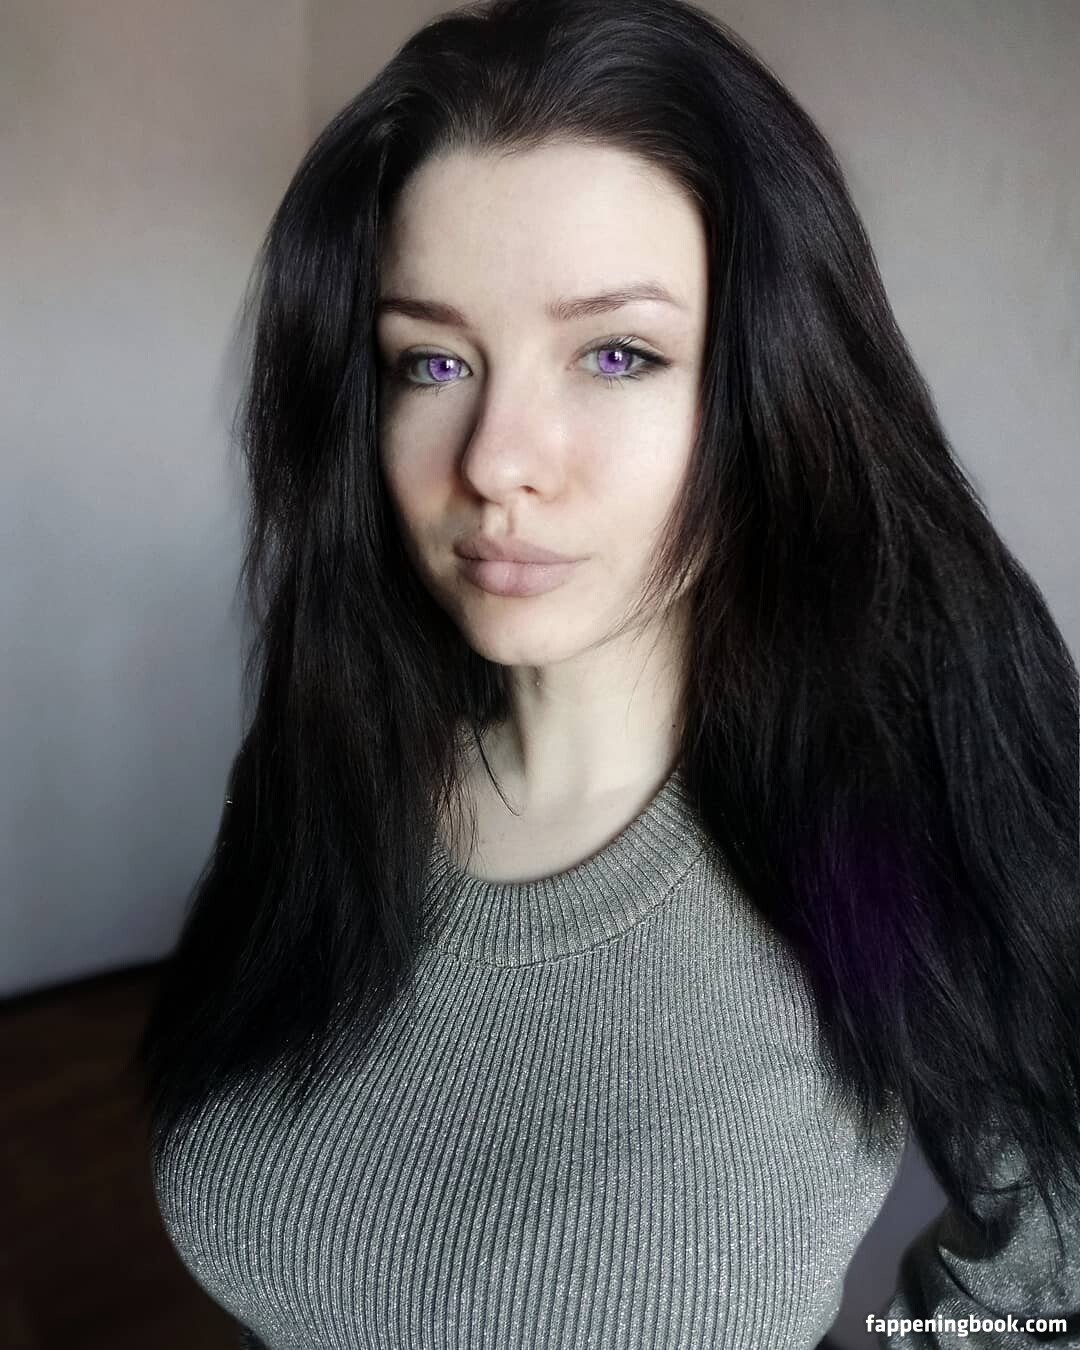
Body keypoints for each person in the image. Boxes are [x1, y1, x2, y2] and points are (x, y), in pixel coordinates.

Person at [132, 0, 1080, 1346]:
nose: (496, 460)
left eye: (618, 353)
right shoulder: (321, 765)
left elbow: (1056, 1252)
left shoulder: (870, 843)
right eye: (432, 361)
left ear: (768, 390)